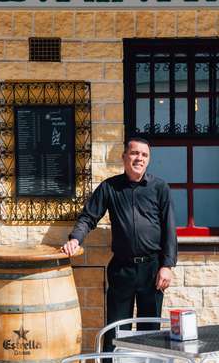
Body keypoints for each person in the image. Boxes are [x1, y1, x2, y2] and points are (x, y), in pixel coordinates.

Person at [62, 137, 177, 351]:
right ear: (124, 157)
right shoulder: (109, 187)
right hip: (121, 269)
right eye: (134, 153)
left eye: (144, 155)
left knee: (150, 329)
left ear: (148, 160)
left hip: (152, 270)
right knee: (115, 329)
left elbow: (169, 229)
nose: (139, 158)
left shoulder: (160, 188)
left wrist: (167, 266)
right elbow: (88, 217)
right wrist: (75, 238)